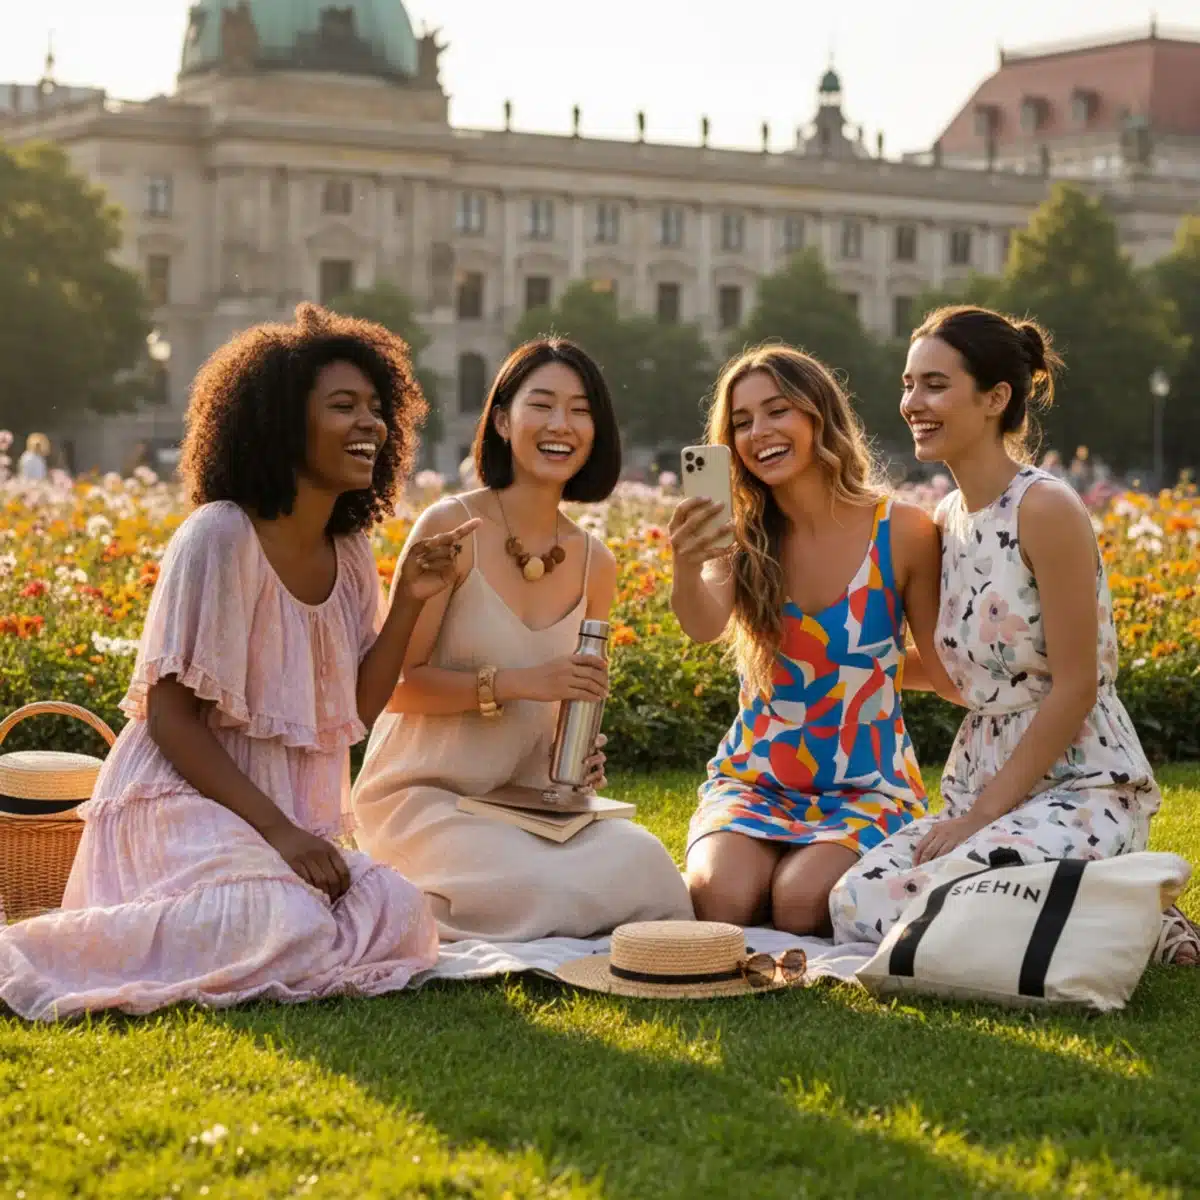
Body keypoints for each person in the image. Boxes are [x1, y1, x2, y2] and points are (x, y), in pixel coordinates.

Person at [0, 304, 477, 1021]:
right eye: (343, 406)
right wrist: (277, 833)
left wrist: (409, 597)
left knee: (402, 912)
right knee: (277, 918)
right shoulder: (218, 537)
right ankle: (31, 957)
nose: (370, 425)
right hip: (184, 811)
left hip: (283, 824)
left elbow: (354, 711)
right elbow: (169, 719)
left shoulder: (349, 555)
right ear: (283, 422)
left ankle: (294, 926)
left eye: (378, 409)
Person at [830, 305, 1198, 965]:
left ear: (996, 397)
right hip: (985, 776)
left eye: (935, 385)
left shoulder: (1046, 508)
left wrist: (978, 818)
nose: (913, 402)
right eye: (909, 384)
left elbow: (1076, 687)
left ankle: (1133, 905)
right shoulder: (944, 520)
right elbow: (960, 676)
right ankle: (1111, 909)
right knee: (859, 901)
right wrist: (841, 658)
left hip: (1081, 783)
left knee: (949, 894)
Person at [351, 338, 692, 941]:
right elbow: (397, 689)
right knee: (551, 888)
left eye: (581, 409)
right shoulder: (453, 526)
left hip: (527, 804)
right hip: (426, 796)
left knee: (650, 868)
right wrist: (522, 684)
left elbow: (569, 705)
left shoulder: (596, 563)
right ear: (503, 421)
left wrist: (577, 756)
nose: (562, 424)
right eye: (543, 404)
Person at [669, 345, 959, 936]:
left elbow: (943, 669)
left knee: (801, 903)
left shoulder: (901, 530)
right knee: (720, 898)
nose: (760, 432)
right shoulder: (741, 533)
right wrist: (686, 563)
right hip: (754, 776)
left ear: (818, 417)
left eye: (777, 411)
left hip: (866, 787)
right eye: (743, 421)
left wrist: (858, 669)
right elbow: (702, 626)